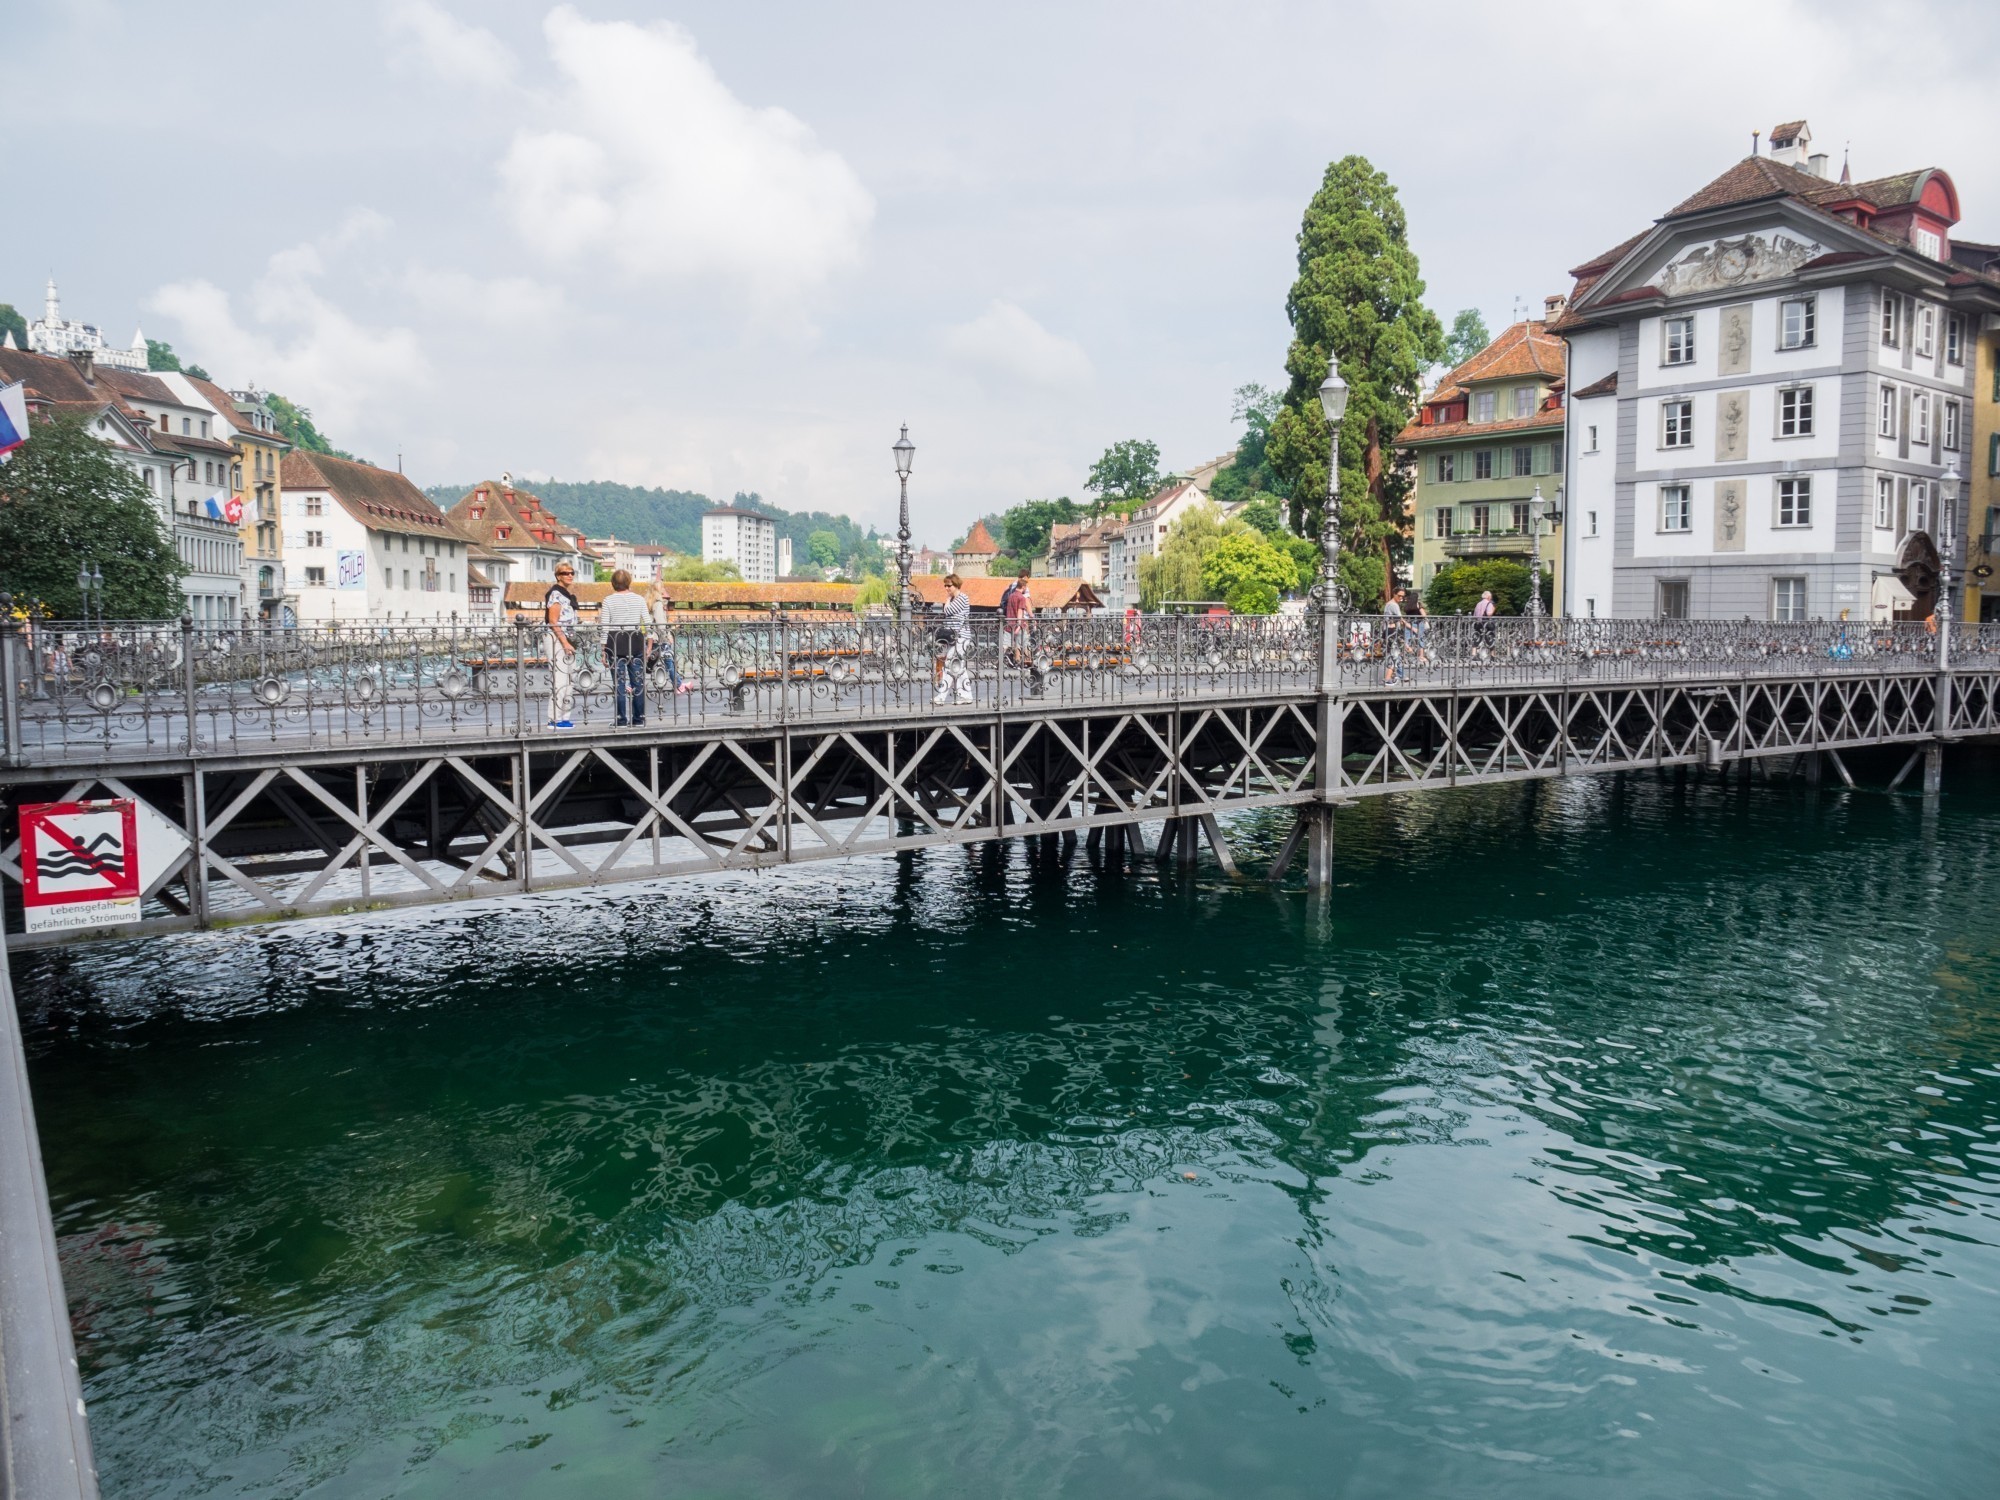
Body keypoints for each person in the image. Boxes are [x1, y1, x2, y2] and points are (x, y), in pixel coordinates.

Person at [600, 568, 650, 726]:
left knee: (619, 683)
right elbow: (647, 623)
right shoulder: (639, 599)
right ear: (629, 582)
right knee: (638, 682)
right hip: (635, 640)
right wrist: (649, 644)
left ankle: (621, 719)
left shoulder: (608, 600)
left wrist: (602, 650)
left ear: (613, 583)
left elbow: (605, 626)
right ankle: (639, 719)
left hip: (615, 643)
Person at [543, 563, 580, 728]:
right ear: (558, 576)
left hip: (568, 640)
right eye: (565, 573)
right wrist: (564, 642)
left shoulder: (566, 594)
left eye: (572, 572)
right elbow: (553, 621)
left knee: (569, 678)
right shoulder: (555, 594)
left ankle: (564, 717)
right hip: (557, 639)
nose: (570, 575)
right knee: (559, 678)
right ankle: (554, 718)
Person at [933, 573, 973, 706]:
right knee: (958, 666)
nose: (946, 588)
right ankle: (965, 695)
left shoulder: (962, 598)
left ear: (956, 585)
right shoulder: (955, 598)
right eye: (945, 585)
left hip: (961, 636)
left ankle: (941, 696)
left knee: (951, 664)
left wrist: (948, 599)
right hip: (954, 637)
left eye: (949, 585)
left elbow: (948, 610)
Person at [649, 586, 687, 694]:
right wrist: (668, 635)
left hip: (652, 637)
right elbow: (661, 623)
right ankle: (678, 685)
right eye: (662, 591)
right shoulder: (658, 604)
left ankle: (678, 684)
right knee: (668, 660)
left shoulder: (650, 603)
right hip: (660, 638)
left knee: (648, 661)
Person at [1381, 587, 1406, 684]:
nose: (1401, 598)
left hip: (1388, 631)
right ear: (1394, 594)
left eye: (1403, 596)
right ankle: (1387, 679)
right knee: (1394, 654)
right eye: (1399, 596)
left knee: (1396, 653)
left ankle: (1401, 674)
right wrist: (1409, 626)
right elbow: (1400, 618)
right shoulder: (1394, 605)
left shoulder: (1388, 604)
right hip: (1392, 631)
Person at [1472, 589, 1497, 654]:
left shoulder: (1478, 604)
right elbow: (1488, 614)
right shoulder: (1489, 604)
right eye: (1490, 596)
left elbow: (1474, 615)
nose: (1491, 598)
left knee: (1477, 638)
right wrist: (1493, 609)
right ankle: (1492, 655)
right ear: (1488, 597)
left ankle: (1474, 654)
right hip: (1486, 623)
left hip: (1478, 623)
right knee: (1491, 637)